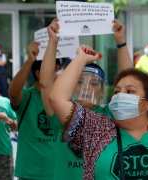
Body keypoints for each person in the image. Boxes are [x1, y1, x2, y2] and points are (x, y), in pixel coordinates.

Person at [49, 45, 148, 180]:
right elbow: (57, 98)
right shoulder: (96, 130)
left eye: (129, 91)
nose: (120, 96)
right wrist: (80, 59)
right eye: (117, 92)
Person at [40, 18, 133, 179]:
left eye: (94, 84)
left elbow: (130, 83)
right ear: (72, 85)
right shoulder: (62, 113)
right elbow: (45, 82)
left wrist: (121, 43)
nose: (86, 87)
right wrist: (53, 42)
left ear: (103, 91)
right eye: (80, 81)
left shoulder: (109, 115)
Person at [8, 41, 62, 179]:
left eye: (59, 69)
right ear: (38, 73)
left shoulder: (64, 100)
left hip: (58, 174)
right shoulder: (28, 97)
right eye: (55, 69)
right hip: (30, 174)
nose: (59, 74)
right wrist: (30, 60)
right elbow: (13, 93)